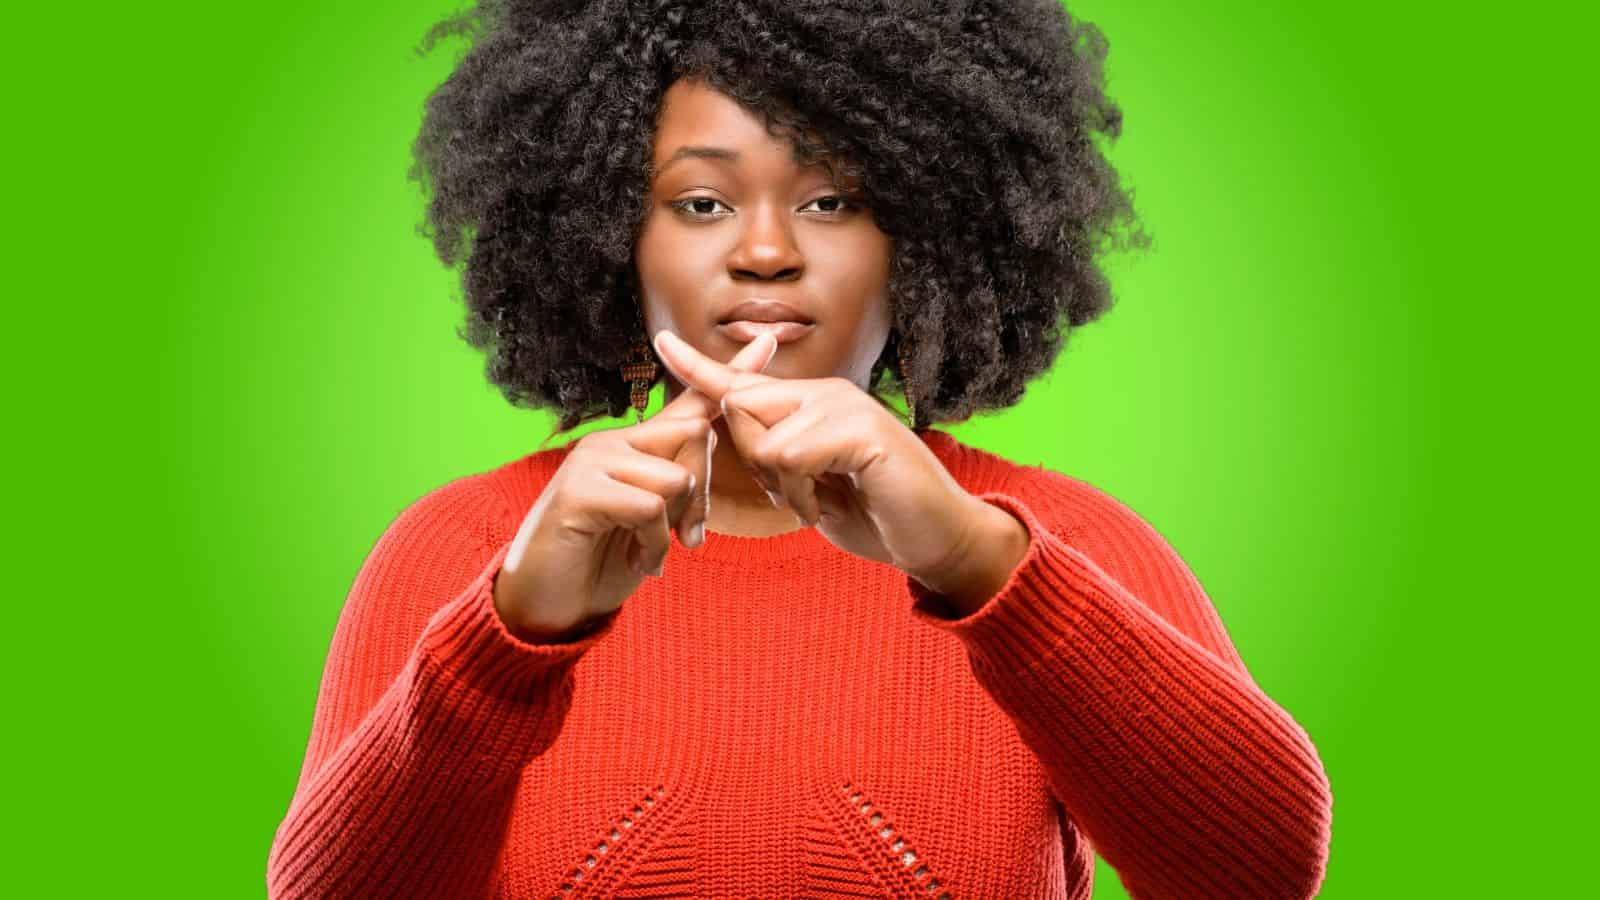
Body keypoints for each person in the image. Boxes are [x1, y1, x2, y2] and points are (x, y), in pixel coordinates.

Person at [266, 1, 1333, 897]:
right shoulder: (462, 548)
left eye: (831, 200)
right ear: (605, 238)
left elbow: (1260, 875)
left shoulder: (1059, 545)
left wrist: (977, 566)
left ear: (923, 236)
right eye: (700, 201)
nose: (767, 251)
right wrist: (510, 637)